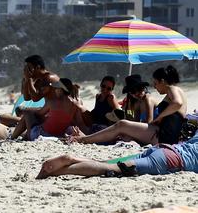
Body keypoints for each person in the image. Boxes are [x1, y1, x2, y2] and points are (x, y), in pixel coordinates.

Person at [69, 65, 187, 146]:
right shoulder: (170, 92)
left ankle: (83, 139)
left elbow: (178, 103)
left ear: (162, 81)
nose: (155, 86)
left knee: (122, 125)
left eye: (155, 83)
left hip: (164, 137)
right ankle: (85, 138)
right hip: (162, 134)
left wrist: (160, 117)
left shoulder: (172, 88)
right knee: (122, 129)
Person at [37, 130, 198, 179]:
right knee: (112, 168)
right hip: (170, 161)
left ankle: (74, 158)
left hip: (165, 149)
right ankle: (61, 169)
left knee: (107, 162)